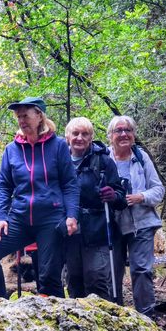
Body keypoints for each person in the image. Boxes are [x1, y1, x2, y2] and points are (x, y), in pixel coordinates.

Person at [0, 97, 80, 298]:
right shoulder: (11, 150)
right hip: (20, 218)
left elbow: (70, 184)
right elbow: (5, 187)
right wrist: (0, 219)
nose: (21, 120)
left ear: (39, 116)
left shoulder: (58, 146)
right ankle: (0, 307)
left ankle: (55, 321)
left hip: (51, 218)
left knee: (49, 276)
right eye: (18, 116)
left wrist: (72, 215)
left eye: (25, 115)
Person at [63, 117, 127, 302]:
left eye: (85, 134)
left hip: (97, 229)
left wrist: (113, 195)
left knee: (96, 278)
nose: (80, 138)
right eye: (75, 133)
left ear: (91, 137)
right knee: (74, 280)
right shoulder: (60, 161)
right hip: (69, 230)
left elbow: (121, 196)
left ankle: (102, 322)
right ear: (67, 137)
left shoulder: (104, 161)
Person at [106, 115, 164, 317]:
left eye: (128, 130)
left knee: (141, 270)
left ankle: (147, 316)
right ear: (110, 136)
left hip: (142, 222)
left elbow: (158, 190)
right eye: (118, 131)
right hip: (111, 224)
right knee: (112, 272)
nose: (123, 134)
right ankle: (116, 315)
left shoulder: (141, 158)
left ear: (133, 134)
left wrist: (141, 197)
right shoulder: (103, 159)